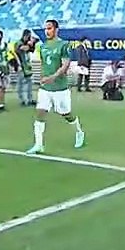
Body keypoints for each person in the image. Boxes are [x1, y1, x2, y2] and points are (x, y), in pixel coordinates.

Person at [27, 18, 86, 154]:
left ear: (56, 29)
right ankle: (38, 144)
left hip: (60, 88)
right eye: (46, 29)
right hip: (45, 89)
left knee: (66, 113)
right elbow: (43, 64)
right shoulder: (42, 46)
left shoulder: (63, 45)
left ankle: (79, 132)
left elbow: (65, 65)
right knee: (40, 113)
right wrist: (42, 77)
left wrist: (52, 77)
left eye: (50, 28)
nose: (47, 31)